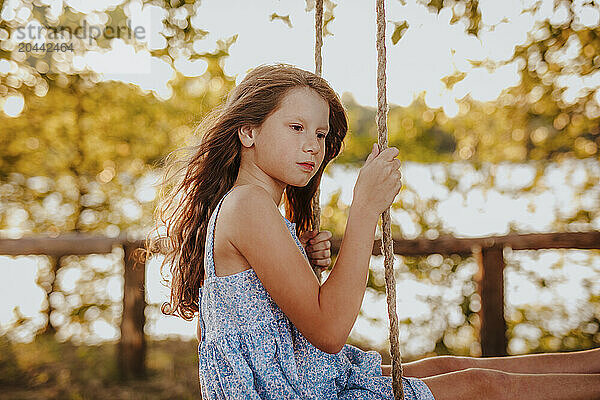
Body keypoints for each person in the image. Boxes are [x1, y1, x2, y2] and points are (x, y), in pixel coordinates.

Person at [149, 63, 600, 399]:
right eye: (296, 127)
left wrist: (301, 262)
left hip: (299, 379)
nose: (313, 145)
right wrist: (363, 209)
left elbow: (290, 318)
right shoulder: (248, 204)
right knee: (482, 385)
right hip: (290, 390)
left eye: (322, 135)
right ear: (248, 131)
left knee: (448, 365)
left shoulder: (253, 205)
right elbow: (328, 332)